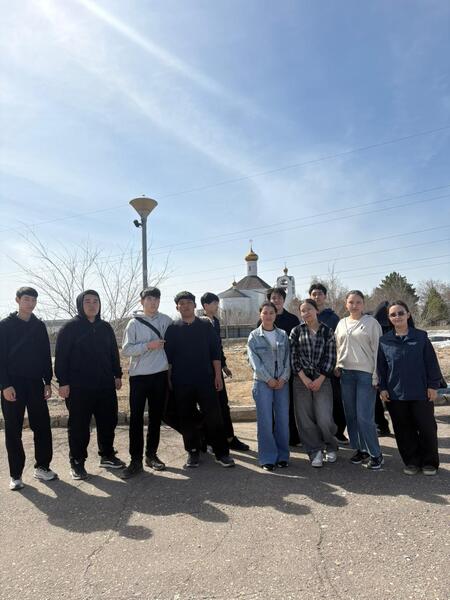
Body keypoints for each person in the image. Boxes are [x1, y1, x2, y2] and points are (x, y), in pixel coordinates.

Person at [55, 290, 125, 480]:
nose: (92, 305)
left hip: (105, 385)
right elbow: (61, 358)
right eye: (88, 301)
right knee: (79, 426)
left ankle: (107, 455)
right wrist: (63, 382)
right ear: (80, 304)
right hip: (79, 387)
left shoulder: (105, 327)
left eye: (96, 301)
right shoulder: (70, 328)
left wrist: (117, 374)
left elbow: (113, 353)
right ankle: (77, 462)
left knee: (108, 422)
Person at [164, 291, 235, 468]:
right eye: (181, 303)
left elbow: (215, 353)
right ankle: (193, 452)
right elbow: (169, 359)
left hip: (206, 379)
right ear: (177, 307)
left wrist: (218, 375)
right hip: (182, 381)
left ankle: (222, 453)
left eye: (189, 302)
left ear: (195, 306)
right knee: (186, 417)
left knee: (214, 415)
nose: (185, 306)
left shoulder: (205, 326)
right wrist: (169, 379)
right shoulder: (172, 329)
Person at [0, 287, 57, 491]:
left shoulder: (39, 326)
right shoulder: (5, 326)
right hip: (12, 385)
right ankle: (15, 475)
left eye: (33, 300)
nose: (30, 303)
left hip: (35, 383)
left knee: (42, 426)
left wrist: (47, 381)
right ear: (17, 300)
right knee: (13, 429)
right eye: (26, 299)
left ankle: (42, 467)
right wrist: (5, 385)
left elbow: (45, 355)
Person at [378, 301, 442, 476]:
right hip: (396, 394)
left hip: (421, 392)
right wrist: (383, 388)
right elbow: (381, 368)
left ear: (408, 314)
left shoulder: (421, 337)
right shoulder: (384, 341)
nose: (397, 317)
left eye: (400, 313)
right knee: (403, 430)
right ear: (389, 318)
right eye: (393, 314)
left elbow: (431, 363)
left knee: (427, 428)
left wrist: (433, 385)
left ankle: (429, 462)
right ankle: (412, 461)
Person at [121, 287, 173, 479]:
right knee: (136, 419)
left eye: (156, 299)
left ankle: (151, 455)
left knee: (155, 417)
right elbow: (126, 350)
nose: (153, 302)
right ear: (142, 301)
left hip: (160, 374)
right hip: (139, 376)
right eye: (149, 299)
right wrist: (148, 346)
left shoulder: (166, 320)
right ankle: (135, 460)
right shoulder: (134, 323)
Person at [335, 290, 384, 470]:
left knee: (364, 417)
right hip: (346, 374)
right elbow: (338, 346)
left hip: (366, 374)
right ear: (346, 304)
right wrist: (337, 364)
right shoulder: (341, 323)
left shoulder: (371, 323)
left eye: (358, 302)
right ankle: (361, 449)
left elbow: (378, 350)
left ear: (363, 304)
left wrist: (376, 376)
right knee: (351, 416)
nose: (354, 305)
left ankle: (376, 454)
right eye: (351, 302)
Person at [290, 299, 338, 467]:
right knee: (305, 418)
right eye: (303, 311)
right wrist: (304, 378)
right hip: (301, 379)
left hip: (322, 379)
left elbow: (331, 357)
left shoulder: (327, 331)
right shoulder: (296, 331)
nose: (306, 313)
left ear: (317, 310)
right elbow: (293, 356)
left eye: (309, 309)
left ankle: (331, 445)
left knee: (324, 416)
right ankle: (314, 451)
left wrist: (320, 378)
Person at [200, 292, 249, 451]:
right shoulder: (200, 323)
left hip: (217, 369)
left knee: (223, 404)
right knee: (209, 407)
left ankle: (229, 438)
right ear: (205, 305)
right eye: (214, 303)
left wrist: (224, 365)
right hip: (205, 372)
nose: (217, 306)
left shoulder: (216, 322)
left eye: (217, 303)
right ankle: (208, 440)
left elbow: (218, 347)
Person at [248, 301, 290, 471]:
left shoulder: (283, 335)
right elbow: (254, 362)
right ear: (260, 314)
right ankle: (267, 458)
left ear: (275, 315)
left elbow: (288, 359)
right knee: (265, 421)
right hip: (262, 383)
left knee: (282, 420)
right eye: (265, 313)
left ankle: (283, 456)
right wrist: (268, 379)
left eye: (271, 313)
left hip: (282, 383)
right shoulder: (254, 336)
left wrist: (283, 377)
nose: (268, 316)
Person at [259, 287, 300, 446]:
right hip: (267, 373)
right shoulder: (263, 321)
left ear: (284, 300)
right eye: (273, 298)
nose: (276, 300)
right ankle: (273, 437)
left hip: (287, 369)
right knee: (269, 407)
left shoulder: (292, 319)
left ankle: (292, 437)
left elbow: (295, 345)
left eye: (279, 298)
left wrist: (288, 370)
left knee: (288, 405)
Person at [309, 282, 348, 445]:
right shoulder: (307, 315)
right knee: (317, 403)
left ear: (325, 296)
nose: (317, 297)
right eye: (314, 294)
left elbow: (340, 342)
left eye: (320, 294)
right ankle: (320, 433)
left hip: (331, 366)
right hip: (312, 368)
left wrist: (338, 364)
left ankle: (338, 432)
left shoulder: (333, 318)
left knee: (337, 400)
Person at [371, 301, 394, 436]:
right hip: (376, 368)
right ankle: (382, 425)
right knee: (376, 401)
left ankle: (383, 426)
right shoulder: (372, 325)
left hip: (391, 369)